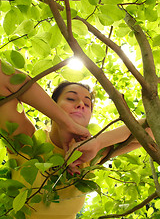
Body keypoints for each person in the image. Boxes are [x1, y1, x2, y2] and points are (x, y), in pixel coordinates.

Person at [0, 61, 152, 219]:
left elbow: (154, 127)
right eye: (71, 99)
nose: (81, 105)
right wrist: (66, 123)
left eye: (87, 104)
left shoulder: (91, 156)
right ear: (52, 106)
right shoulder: (27, 141)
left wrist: (98, 142)